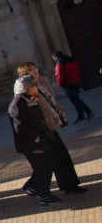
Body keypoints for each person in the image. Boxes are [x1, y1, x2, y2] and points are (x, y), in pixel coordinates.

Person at [18, 62, 86, 195]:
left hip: (50, 125)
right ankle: (37, 186)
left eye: (35, 68)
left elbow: (50, 101)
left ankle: (70, 185)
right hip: (43, 128)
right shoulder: (27, 89)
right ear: (25, 74)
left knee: (59, 156)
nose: (35, 70)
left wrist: (59, 108)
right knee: (52, 159)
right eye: (31, 70)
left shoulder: (41, 83)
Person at [9, 76, 62, 205]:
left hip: (41, 139)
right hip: (31, 143)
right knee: (41, 168)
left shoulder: (30, 99)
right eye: (34, 86)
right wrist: (35, 137)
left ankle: (34, 187)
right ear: (27, 88)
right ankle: (44, 195)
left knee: (50, 162)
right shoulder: (18, 103)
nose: (37, 88)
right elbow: (20, 127)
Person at [53, 51, 94, 123]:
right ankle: (88, 111)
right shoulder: (72, 60)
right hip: (76, 82)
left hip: (68, 85)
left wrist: (61, 85)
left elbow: (60, 76)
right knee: (77, 99)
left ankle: (81, 117)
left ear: (56, 57)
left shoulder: (60, 63)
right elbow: (78, 70)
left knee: (75, 101)